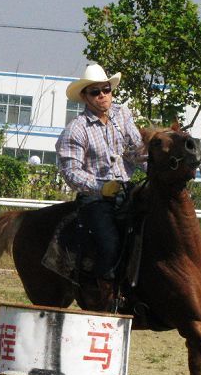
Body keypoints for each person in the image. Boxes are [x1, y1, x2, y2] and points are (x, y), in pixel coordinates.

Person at [55, 63, 146, 310]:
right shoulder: (76, 129)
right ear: (85, 97)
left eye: (106, 89)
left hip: (127, 191)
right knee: (109, 244)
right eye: (95, 92)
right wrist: (100, 188)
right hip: (95, 200)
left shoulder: (122, 115)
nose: (103, 95)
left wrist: (158, 167)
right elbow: (71, 172)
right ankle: (106, 298)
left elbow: (136, 152)